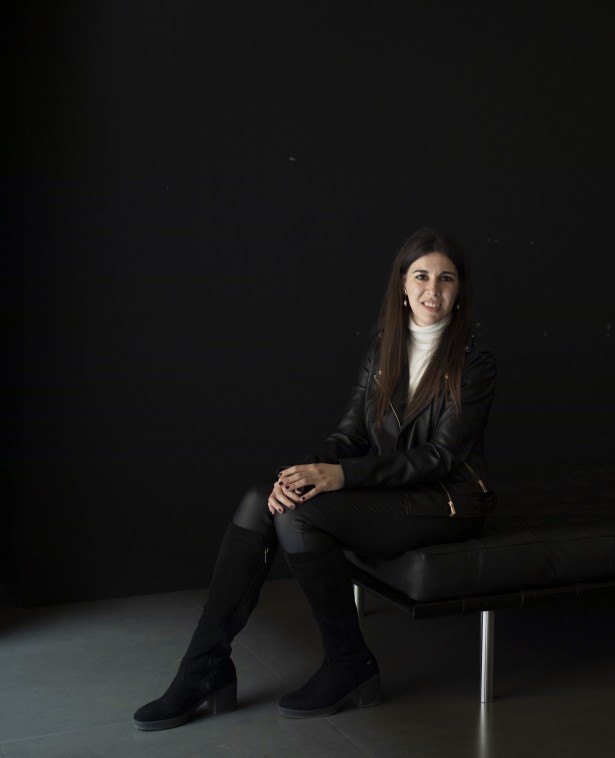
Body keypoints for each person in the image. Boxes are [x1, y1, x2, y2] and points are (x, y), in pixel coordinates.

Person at [133, 228, 497, 730]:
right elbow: (350, 434)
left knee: (300, 520)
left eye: (445, 278)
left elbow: (440, 458)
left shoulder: (474, 362)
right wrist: (298, 475)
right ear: (402, 284)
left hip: (448, 501)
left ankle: (349, 662)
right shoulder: (385, 348)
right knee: (261, 500)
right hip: (394, 490)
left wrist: (342, 476)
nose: (432, 289)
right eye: (421, 276)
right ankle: (203, 667)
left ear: (459, 290)